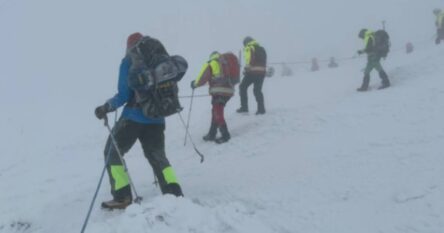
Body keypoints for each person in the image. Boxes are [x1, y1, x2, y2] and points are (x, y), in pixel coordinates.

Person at [94, 32, 183, 210]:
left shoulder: (129, 61)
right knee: (158, 156)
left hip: (133, 118)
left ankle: (122, 196)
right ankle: (174, 193)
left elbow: (124, 95)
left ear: (130, 47)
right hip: (157, 118)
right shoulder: (161, 63)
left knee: (113, 152)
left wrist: (106, 107)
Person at [190, 51, 234, 144]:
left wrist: (195, 84)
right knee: (215, 111)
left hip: (219, 91)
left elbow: (203, 77)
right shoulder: (225, 63)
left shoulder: (212, 63)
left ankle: (225, 135)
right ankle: (212, 133)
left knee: (217, 112)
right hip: (228, 91)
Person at [237, 36, 267, 115]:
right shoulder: (261, 49)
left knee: (242, 87)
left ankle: (244, 107)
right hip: (261, 73)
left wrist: (247, 68)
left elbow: (250, 59)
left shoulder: (249, 47)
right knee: (257, 91)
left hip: (252, 72)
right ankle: (261, 109)